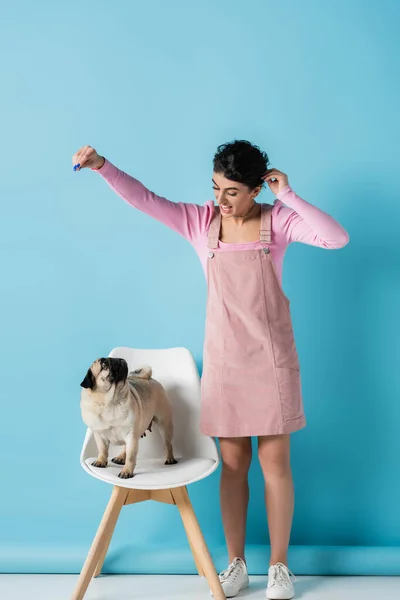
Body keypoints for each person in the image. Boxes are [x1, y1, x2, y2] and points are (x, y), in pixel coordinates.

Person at [72, 140, 349, 599]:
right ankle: (236, 563)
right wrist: (103, 167)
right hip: (225, 361)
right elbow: (147, 200)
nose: (220, 200)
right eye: (216, 188)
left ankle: (279, 566)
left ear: (258, 188)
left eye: (232, 192)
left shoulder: (278, 222)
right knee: (234, 463)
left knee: (275, 461)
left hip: (273, 360)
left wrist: (290, 196)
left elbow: (336, 237)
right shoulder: (202, 222)